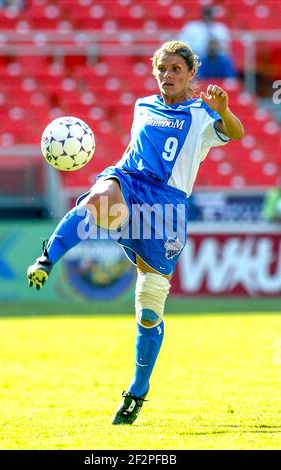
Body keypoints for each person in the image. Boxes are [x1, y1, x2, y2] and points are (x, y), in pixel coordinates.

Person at [27, 40, 244, 425]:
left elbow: (237, 134)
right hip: (129, 181)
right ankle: (46, 259)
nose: (167, 75)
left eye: (176, 69)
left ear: (191, 73)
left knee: (149, 307)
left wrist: (224, 111)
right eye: (162, 68)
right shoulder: (143, 105)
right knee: (98, 200)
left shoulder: (201, 115)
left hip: (166, 206)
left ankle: (137, 390)